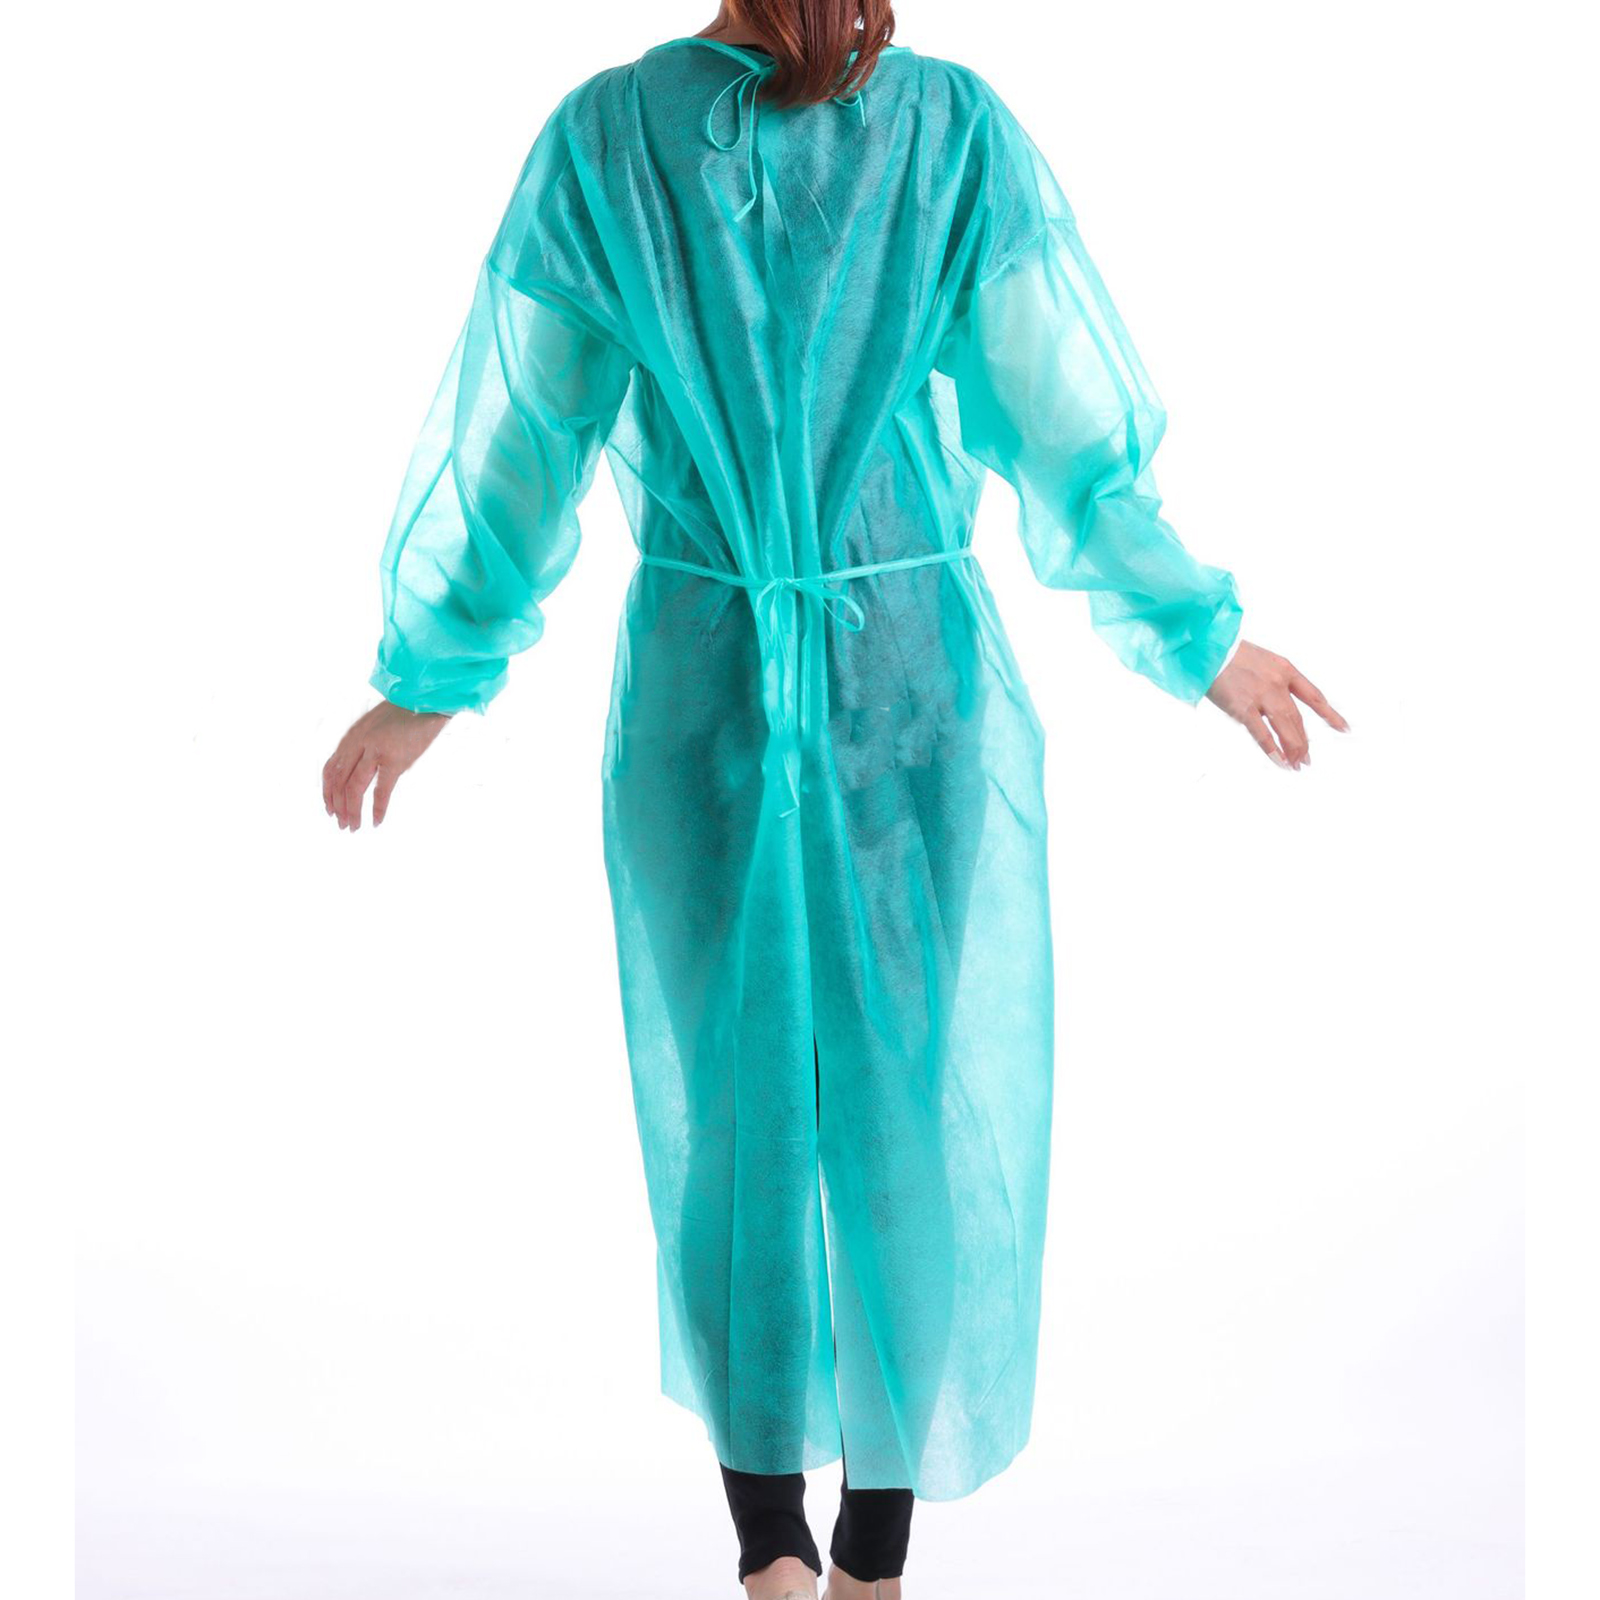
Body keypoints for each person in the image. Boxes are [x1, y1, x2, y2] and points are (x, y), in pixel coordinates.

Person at [321, 4, 1346, 1595]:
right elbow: (527, 426)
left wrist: (1196, 632)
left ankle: (865, 1553)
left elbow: (1060, 425)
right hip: (732, 687)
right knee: (743, 1112)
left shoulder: (946, 134)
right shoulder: (611, 142)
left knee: (884, 1109)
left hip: (894, 688)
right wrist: (433, 672)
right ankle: (775, 1552)